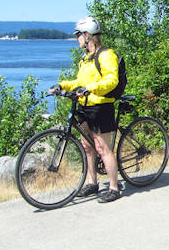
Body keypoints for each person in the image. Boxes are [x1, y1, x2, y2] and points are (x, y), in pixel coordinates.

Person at [50, 16, 123, 203]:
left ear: (87, 35)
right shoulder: (86, 59)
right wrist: (63, 85)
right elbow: (80, 82)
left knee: (102, 148)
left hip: (101, 106)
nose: (77, 40)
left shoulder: (106, 55)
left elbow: (111, 80)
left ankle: (114, 187)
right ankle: (92, 183)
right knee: (87, 146)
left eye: (78, 36)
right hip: (85, 106)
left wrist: (91, 88)